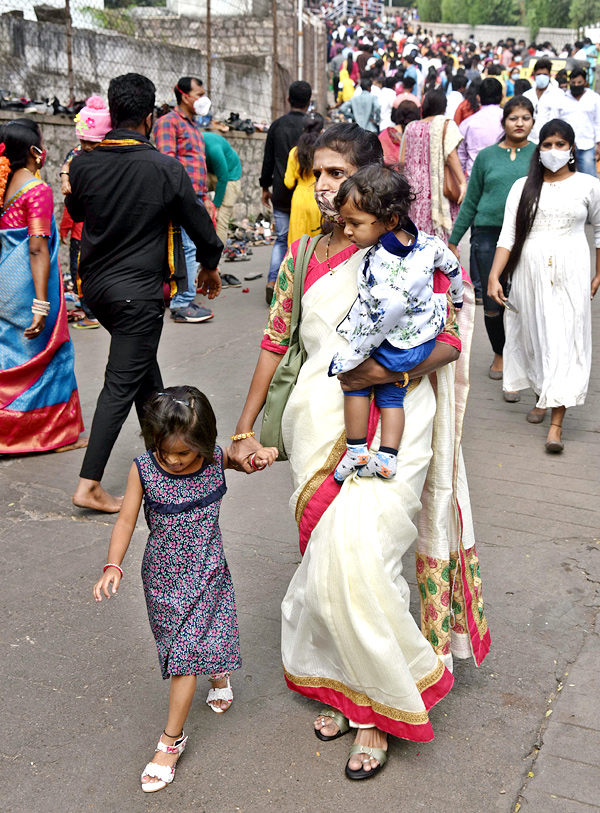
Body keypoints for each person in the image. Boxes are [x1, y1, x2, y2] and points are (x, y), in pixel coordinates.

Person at [228, 123, 489, 781]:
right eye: (316, 173)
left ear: (370, 184)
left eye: (337, 174)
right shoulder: (302, 256)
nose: (323, 186)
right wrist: (244, 427)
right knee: (327, 563)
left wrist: (391, 374)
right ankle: (344, 684)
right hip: (323, 423)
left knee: (363, 557)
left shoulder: (414, 250)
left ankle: (379, 707)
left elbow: (451, 339)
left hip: (399, 418)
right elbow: (274, 342)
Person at [92, 386, 278, 792]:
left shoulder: (214, 458)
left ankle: (170, 742)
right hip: (161, 581)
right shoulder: (143, 469)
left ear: (204, 443)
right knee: (187, 646)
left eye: (184, 452)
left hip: (208, 573)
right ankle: (218, 673)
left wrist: (259, 455)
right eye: (166, 451)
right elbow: (125, 521)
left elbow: (245, 459)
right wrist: (113, 564)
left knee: (184, 658)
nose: (174, 460)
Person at [67, 73, 223, 513]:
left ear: (113, 115)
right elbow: (201, 227)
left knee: (144, 376)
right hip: (137, 293)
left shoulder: (83, 164)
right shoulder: (163, 168)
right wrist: (209, 266)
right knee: (121, 382)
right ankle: (89, 484)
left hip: (96, 289)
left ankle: (167, 459)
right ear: (150, 118)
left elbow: (77, 209)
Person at [329, 165, 463, 483]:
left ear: (389, 220)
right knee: (391, 395)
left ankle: (357, 450)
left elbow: (379, 324)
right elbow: (454, 266)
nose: (347, 231)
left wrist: (353, 357)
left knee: (356, 386)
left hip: (396, 343)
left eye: (355, 223)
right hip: (422, 337)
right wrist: (456, 300)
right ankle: (388, 457)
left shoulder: (384, 268)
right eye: (345, 222)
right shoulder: (427, 243)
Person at [488, 119, 600, 452]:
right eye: (547, 145)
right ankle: (541, 396)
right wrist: (495, 275)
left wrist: (598, 273)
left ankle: (556, 424)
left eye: (560, 145)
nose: (553, 151)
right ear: (539, 150)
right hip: (528, 272)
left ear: (571, 149)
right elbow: (508, 235)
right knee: (534, 336)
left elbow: (599, 232)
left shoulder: (588, 186)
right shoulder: (522, 186)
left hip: (572, 272)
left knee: (565, 338)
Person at [0, 120, 86, 454]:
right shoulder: (36, 191)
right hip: (29, 290)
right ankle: (49, 434)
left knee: (8, 358)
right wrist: (40, 304)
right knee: (50, 356)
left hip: (5, 289)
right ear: (36, 152)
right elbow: (37, 247)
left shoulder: (4, 189)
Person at [449, 96, 536, 379]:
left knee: (521, 297)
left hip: (527, 236)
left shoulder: (539, 155)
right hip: (486, 235)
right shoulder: (486, 156)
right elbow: (471, 200)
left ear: (533, 121)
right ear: (503, 122)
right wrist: (454, 239)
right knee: (491, 299)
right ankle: (499, 353)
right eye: (514, 118)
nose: (519, 123)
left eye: (525, 117)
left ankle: (521, 355)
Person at [153, 76, 215, 323]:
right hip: (180, 196)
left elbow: (198, 164)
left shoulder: (193, 127)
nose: (203, 99)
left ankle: (181, 297)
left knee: (193, 247)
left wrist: (205, 197)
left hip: (196, 196)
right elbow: (167, 163)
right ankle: (181, 304)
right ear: (183, 95)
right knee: (186, 247)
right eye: (199, 94)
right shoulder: (169, 123)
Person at [60, 95, 113, 329]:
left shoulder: (79, 159)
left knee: (81, 273)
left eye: (91, 142)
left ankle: (91, 314)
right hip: (95, 230)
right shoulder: (83, 158)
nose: (87, 148)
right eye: (84, 142)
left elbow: (70, 204)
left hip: (83, 234)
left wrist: (65, 227)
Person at [260, 80, 311, 305]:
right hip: (308, 194)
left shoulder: (277, 125)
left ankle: (273, 282)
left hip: (281, 193)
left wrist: (265, 186)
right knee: (305, 239)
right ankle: (300, 282)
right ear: (309, 102)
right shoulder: (312, 128)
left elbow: (268, 159)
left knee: (281, 239)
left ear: (288, 100)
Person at [401, 89, 467, 243]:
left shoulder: (411, 127)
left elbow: (402, 161)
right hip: (437, 187)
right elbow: (451, 155)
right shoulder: (446, 125)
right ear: (444, 107)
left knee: (416, 230)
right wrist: (462, 182)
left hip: (413, 187)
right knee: (439, 233)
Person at [203, 131, 243, 287]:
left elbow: (223, 177)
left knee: (220, 221)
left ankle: (214, 268)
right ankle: (204, 263)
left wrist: (217, 206)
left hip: (230, 178)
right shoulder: (194, 145)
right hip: (213, 174)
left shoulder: (213, 149)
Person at [283, 112, 324, 246]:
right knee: (317, 245)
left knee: (297, 247)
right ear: (322, 131)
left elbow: (288, 183)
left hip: (299, 201)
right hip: (318, 198)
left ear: (303, 129)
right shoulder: (324, 152)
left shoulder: (295, 152)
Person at [556, 68, 600, 177]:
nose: (576, 85)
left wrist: (599, 143)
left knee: (589, 178)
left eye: (579, 82)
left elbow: (598, 122)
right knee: (562, 177)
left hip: (586, 144)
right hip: (565, 145)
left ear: (585, 82)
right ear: (569, 82)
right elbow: (556, 121)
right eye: (573, 82)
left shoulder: (594, 98)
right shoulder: (562, 98)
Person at [458, 77, 504, 178]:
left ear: (478, 97)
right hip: (504, 178)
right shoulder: (509, 121)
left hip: (474, 180)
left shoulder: (467, 124)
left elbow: (460, 159)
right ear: (502, 97)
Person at [522, 58, 563, 144]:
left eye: (545, 74)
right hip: (529, 140)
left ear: (550, 75)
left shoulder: (558, 94)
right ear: (534, 74)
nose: (542, 77)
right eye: (539, 74)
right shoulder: (527, 95)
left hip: (550, 140)